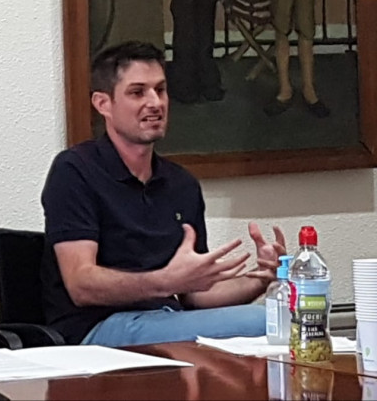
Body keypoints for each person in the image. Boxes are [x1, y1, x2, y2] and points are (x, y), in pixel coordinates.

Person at [40, 42, 287, 346]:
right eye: (138, 92)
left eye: (160, 90)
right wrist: (165, 282)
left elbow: (196, 294)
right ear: (103, 104)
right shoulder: (75, 170)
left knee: (279, 318)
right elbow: (81, 284)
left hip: (167, 319)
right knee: (261, 322)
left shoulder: (181, 183)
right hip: (97, 329)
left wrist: (260, 278)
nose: (155, 103)